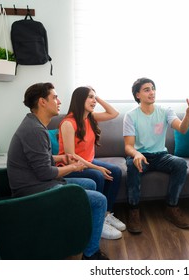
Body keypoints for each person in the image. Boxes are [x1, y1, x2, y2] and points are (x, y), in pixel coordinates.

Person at [7, 82, 109, 260]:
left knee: (91, 182)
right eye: (54, 97)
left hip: (38, 183)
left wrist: (60, 158)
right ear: (42, 102)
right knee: (99, 200)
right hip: (34, 191)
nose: (59, 101)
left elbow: (37, 159)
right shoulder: (34, 131)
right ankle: (91, 254)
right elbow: (45, 173)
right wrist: (73, 167)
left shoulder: (35, 126)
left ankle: (80, 232)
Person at [123, 77, 189, 234]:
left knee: (180, 163)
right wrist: (137, 154)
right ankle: (133, 211)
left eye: (153, 88)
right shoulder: (131, 116)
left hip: (161, 155)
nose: (152, 92)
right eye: (147, 89)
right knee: (132, 167)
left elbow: (182, 129)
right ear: (137, 95)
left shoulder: (166, 111)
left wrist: (188, 114)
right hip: (140, 155)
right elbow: (128, 146)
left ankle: (171, 208)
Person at [58, 86, 125, 240]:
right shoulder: (69, 122)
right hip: (70, 166)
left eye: (94, 97)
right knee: (97, 175)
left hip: (86, 161)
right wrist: (97, 167)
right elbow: (71, 155)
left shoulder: (90, 118)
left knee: (116, 171)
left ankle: (106, 214)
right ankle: (97, 221)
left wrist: (97, 97)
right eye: (90, 97)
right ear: (79, 99)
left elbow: (114, 113)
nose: (94, 101)